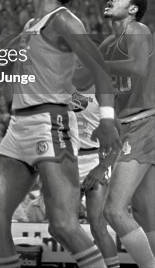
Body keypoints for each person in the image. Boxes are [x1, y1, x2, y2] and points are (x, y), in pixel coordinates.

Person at [0, 0, 121, 268]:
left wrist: (108, 118)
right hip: (18, 126)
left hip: (50, 124)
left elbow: (100, 71)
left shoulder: (65, 21)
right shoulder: (31, 25)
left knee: (63, 225)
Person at [100, 0, 155, 268]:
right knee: (146, 214)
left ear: (133, 10)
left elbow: (136, 68)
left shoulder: (138, 31)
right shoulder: (109, 44)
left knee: (115, 210)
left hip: (145, 123)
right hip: (131, 127)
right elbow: (85, 79)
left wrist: (98, 65)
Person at [71, 79, 120, 268]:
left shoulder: (102, 91)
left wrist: (102, 168)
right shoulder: (60, 85)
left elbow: (120, 139)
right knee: (66, 224)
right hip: (68, 162)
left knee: (98, 225)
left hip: (95, 159)